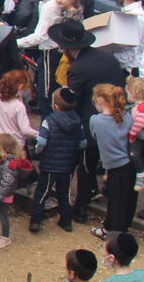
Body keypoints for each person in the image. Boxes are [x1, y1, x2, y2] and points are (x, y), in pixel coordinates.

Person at [52, 18, 127, 221]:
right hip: (117, 119)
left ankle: (81, 206)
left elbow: (72, 101)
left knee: (86, 165)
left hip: (90, 122)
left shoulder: (77, 68)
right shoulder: (107, 58)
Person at [29, 87, 86, 233]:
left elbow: (41, 142)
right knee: (64, 193)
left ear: (56, 106)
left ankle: (36, 220)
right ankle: (66, 222)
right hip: (67, 165)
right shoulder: (77, 121)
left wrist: (36, 153)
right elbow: (83, 143)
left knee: (42, 192)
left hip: (49, 165)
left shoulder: (49, 121)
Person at [89, 83, 138, 238]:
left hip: (114, 167)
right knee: (125, 201)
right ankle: (113, 228)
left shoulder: (96, 121)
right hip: (129, 165)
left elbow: (94, 137)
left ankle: (114, 235)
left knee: (115, 203)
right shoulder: (126, 116)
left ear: (99, 100)